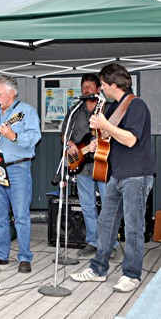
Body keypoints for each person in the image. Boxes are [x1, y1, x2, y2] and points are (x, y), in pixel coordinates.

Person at [70, 63, 155, 292]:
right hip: (116, 174)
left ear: (114, 85)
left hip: (137, 175)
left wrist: (106, 125)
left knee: (134, 227)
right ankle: (98, 269)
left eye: (104, 85)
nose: (101, 89)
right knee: (106, 224)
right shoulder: (112, 107)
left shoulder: (136, 105)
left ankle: (132, 274)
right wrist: (100, 140)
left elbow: (130, 140)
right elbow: (111, 137)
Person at [0, 75, 41, 273]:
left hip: (18, 168)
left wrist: (13, 136)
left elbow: (34, 137)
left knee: (21, 215)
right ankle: (1, 254)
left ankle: (24, 257)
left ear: (11, 93)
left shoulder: (26, 111)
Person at [61, 73, 118, 257]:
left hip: (104, 164)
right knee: (87, 205)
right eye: (83, 86)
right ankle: (93, 241)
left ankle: (111, 244)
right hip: (81, 166)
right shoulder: (75, 110)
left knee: (109, 206)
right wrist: (69, 144)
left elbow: (117, 132)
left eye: (90, 86)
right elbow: (64, 135)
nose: (86, 89)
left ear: (99, 89)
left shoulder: (108, 108)